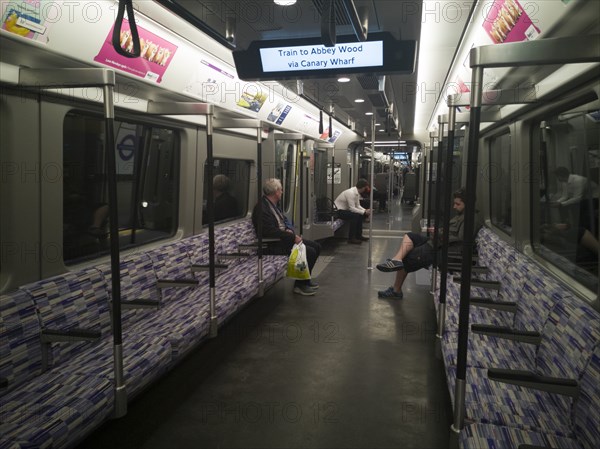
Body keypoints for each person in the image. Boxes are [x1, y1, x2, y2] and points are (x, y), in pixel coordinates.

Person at [375, 188, 472, 299]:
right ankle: (396, 260)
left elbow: (460, 238)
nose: (454, 207)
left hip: (442, 249)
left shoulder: (469, 220)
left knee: (406, 258)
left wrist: (439, 233)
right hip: (436, 241)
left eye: (457, 204)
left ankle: (396, 290)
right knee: (410, 236)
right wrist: (438, 231)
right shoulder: (460, 215)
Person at [252, 178, 321, 296]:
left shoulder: (272, 205)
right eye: (281, 190)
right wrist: (292, 237)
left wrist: (290, 232)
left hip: (282, 239)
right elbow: (269, 231)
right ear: (276, 192)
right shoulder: (262, 209)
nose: (282, 192)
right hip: (271, 244)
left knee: (317, 246)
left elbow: (281, 223)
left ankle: (305, 280)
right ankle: (299, 285)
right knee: (310, 252)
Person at [550, 167, 599, 235]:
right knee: (564, 205)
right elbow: (565, 196)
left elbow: (577, 198)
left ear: (561, 175)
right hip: (585, 198)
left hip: (596, 197)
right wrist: (557, 202)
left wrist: (561, 204)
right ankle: (566, 225)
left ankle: (580, 229)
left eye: (557, 176)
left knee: (576, 206)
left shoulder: (577, 180)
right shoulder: (565, 182)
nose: (557, 179)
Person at [334, 178, 371, 244]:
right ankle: (351, 238)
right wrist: (364, 212)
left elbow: (358, 206)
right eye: (365, 188)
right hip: (338, 211)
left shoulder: (356, 193)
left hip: (344, 210)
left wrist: (365, 210)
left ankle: (358, 235)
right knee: (355, 216)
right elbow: (352, 208)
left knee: (359, 215)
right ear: (362, 188)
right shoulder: (350, 193)